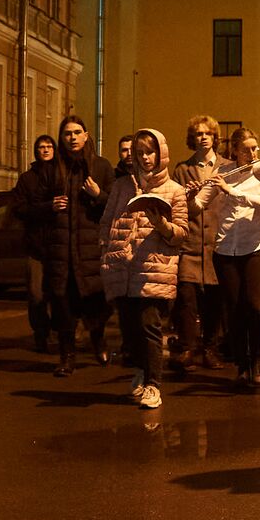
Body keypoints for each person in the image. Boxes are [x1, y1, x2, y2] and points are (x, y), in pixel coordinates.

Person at [100, 129, 188, 409]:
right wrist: (106, 248)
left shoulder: (174, 190)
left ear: (161, 153)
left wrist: (161, 224)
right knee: (130, 328)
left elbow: (182, 234)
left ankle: (154, 385)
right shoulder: (122, 186)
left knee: (150, 326)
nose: (146, 158)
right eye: (140, 153)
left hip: (154, 268)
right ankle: (140, 371)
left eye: (150, 152)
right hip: (123, 267)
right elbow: (106, 221)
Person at [195, 128, 260, 388]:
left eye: (255, 148)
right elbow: (198, 204)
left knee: (255, 306)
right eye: (246, 150)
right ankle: (242, 364)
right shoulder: (223, 174)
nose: (253, 153)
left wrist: (231, 192)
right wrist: (193, 192)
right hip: (226, 249)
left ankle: (258, 361)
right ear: (235, 152)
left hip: (256, 247)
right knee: (235, 310)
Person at [46, 114, 116, 377]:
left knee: (96, 303)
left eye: (77, 132)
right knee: (63, 305)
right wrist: (48, 206)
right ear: (61, 138)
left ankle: (98, 339)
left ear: (86, 136)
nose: (72, 137)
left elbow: (114, 206)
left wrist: (98, 196)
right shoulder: (53, 168)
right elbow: (31, 206)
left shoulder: (101, 166)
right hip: (61, 251)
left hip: (91, 250)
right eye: (67, 133)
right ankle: (66, 357)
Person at [172, 115, 224, 373]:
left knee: (214, 302)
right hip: (190, 244)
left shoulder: (226, 168)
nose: (203, 137)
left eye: (207, 133)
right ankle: (187, 348)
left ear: (215, 137)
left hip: (218, 245)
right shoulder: (182, 169)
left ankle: (210, 348)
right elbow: (175, 207)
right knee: (187, 301)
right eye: (198, 134)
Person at [11, 134, 57, 352]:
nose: (45, 150)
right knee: (36, 294)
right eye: (41, 147)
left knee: (59, 293)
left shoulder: (62, 175)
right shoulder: (27, 179)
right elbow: (19, 208)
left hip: (58, 246)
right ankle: (41, 333)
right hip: (35, 246)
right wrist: (46, 207)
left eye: (49, 146)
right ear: (35, 151)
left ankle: (62, 333)